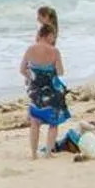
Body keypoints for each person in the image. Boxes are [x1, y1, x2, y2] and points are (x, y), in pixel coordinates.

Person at [20, 21, 67, 159]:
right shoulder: (54, 51)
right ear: (49, 35)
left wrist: (32, 76)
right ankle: (48, 153)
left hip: (35, 90)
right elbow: (60, 72)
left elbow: (22, 70)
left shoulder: (30, 49)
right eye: (53, 36)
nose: (54, 39)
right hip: (51, 90)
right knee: (53, 122)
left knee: (35, 123)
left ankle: (34, 154)